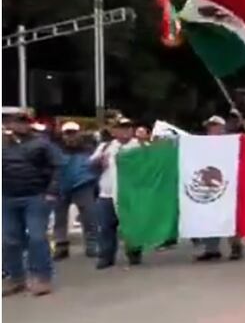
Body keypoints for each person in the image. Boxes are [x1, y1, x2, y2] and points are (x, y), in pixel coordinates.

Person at [3, 112, 61, 296]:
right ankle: (15, 278)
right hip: (8, 197)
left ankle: (42, 277)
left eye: (24, 122)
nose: (20, 125)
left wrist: (52, 191)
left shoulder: (42, 144)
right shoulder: (3, 144)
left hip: (36, 196)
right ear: (10, 124)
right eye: (16, 122)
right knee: (9, 239)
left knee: (37, 237)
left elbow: (57, 167)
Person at [90, 116, 144, 269]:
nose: (125, 131)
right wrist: (98, 162)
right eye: (121, 128)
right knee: (105, 226)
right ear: (114, 131)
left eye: (128, 127)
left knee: (132, 225)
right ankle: (106, 256)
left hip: (131, 194)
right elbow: (90, 165)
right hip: (106, 193)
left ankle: (134, 253)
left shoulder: (140, 147)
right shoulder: (105, 147)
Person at [194, 116, 244, 262]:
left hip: (228, 183)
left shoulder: (232, 142)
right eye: (210, 126)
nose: (212, 128)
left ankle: (236, 246)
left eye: (215, 125)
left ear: (223, 127)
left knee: (230, 217)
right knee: (209, 215)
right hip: (209, 184)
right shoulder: (202, 143)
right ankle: (211, 249)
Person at [53, 121, 101, 260]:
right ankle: (61, 246)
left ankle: (92, 245)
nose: (71, 136)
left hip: (83, 185)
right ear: (63, 135)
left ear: (79, 134)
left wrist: (93, 181)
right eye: (68, 133)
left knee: (89, 217)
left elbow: (97, 165)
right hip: (61, 186)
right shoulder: (55, 150)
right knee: (59, 218)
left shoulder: (89, 149)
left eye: (73, 133)